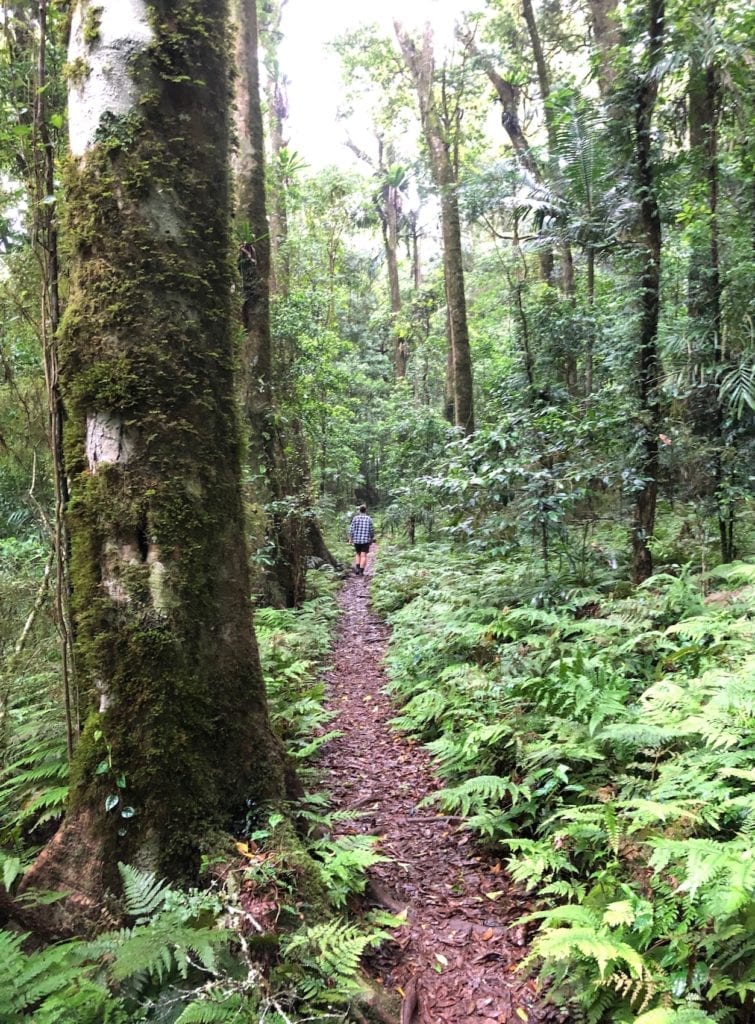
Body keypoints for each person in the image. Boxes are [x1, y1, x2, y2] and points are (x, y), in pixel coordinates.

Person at [348, 504, 375, 576]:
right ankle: (361, 571)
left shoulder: (355, 518)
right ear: (365, 510)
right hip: (365, 540)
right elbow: (371, 530)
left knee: (358, 554)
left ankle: (357, 568)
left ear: (359, 510)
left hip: (356, 540)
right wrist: (372, 538)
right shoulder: (369, 519)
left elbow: (351, 529)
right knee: (363, 555)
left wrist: (350, 538)